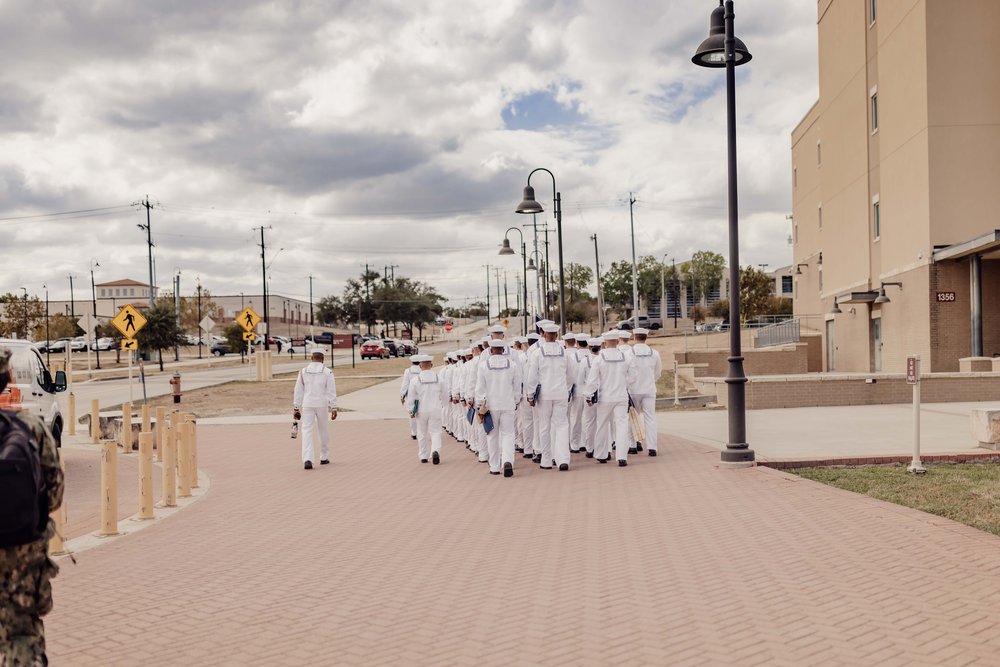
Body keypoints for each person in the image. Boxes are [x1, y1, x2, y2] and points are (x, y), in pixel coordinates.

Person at [0, 346, 64, 664]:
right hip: (20, 556)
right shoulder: (29, 426)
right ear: (7, 378)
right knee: (22, 635)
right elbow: (54, 493)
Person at [525, 322, 576, 471]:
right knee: (561, 425)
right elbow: (572, 375)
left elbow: (532, 377)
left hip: (544, 395)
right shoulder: (565, 352)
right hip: (561, 393)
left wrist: (530, 395)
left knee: (544, 426)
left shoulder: (537, 353)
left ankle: (546, 460)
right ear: (557, 335)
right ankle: (562, 460)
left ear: (543, 334)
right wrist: (566, 389)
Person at [475, 339, 523, 476]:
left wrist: (480, 405)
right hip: (507, 404)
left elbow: (480, 388)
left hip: (490, 405)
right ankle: (507, 461)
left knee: (492, 435)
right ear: (503, 350)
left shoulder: (484, 366)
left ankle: (494, 466)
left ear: (490, 350)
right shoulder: (512, 365)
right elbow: (517, 386)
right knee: (508, 434)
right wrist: (515, 401)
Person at [585, 332, 632, 466]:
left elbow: (592, 380)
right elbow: (633, 376)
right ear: (617, 342)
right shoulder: (626, 357)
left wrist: (589, 395)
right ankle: (622, 457)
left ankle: (602, 454)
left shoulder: (599, 359)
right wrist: (624, 385)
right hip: (621, 396)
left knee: (602, 424)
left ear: (604, 343)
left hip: (605, 397)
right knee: (622, 425)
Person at [292, 349, 338, 469]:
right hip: (321, 404)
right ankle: (323, 457)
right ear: (323, 359)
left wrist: (296, 407)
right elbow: (331, 391)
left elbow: (298, 390)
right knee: (323, 430)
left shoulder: (303, 372)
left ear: (311, 358)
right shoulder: (328, 372)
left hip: (307, 404)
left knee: (306, 430)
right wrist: (334, 407)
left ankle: (307, 459)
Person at [405, 355, 448, 464]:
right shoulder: (439, 378)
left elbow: (411, 397)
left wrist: (411, 410)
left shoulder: (415, 380)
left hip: (421, 410)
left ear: (420, 366)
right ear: (431, 365)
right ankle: (435, 451)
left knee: (422, 433)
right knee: (435, 432)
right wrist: (444, 404)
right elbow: (445, 395)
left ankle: (423, 455)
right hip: (435, 409)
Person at [627, 328, 663, 457]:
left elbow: (626, 372)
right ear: (645, 338)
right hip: (649, 389)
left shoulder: (629, 353)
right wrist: (651, 380)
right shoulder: (654, 353)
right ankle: (652, 447)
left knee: (632, 417)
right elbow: (658, 372)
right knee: (650, 418)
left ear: (635, 337)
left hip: (633, 389)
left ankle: (632, 445)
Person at [400, 357, 421, 440]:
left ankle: (414, 433)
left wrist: (402, 395)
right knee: (420, 414)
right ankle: (420, 432)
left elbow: (405, 384)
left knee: (412, 414)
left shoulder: (408, 371)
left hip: (411, 395)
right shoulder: (422, 370)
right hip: (421, 395)